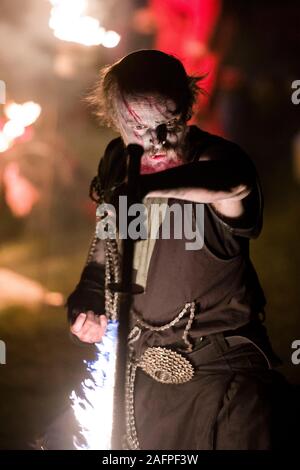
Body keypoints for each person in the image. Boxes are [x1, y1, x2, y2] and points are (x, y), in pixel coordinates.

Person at [67, 50, 280, 450]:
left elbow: (232, 184)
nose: (155, 141)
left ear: (186, 110)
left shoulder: (217, 158)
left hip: (222, 377)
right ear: (114, 119)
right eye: (138, 127)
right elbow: (103, 254)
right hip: (140, 377)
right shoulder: (117, 159)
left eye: (168, 124)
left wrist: (146, 186)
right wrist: (88, 298)